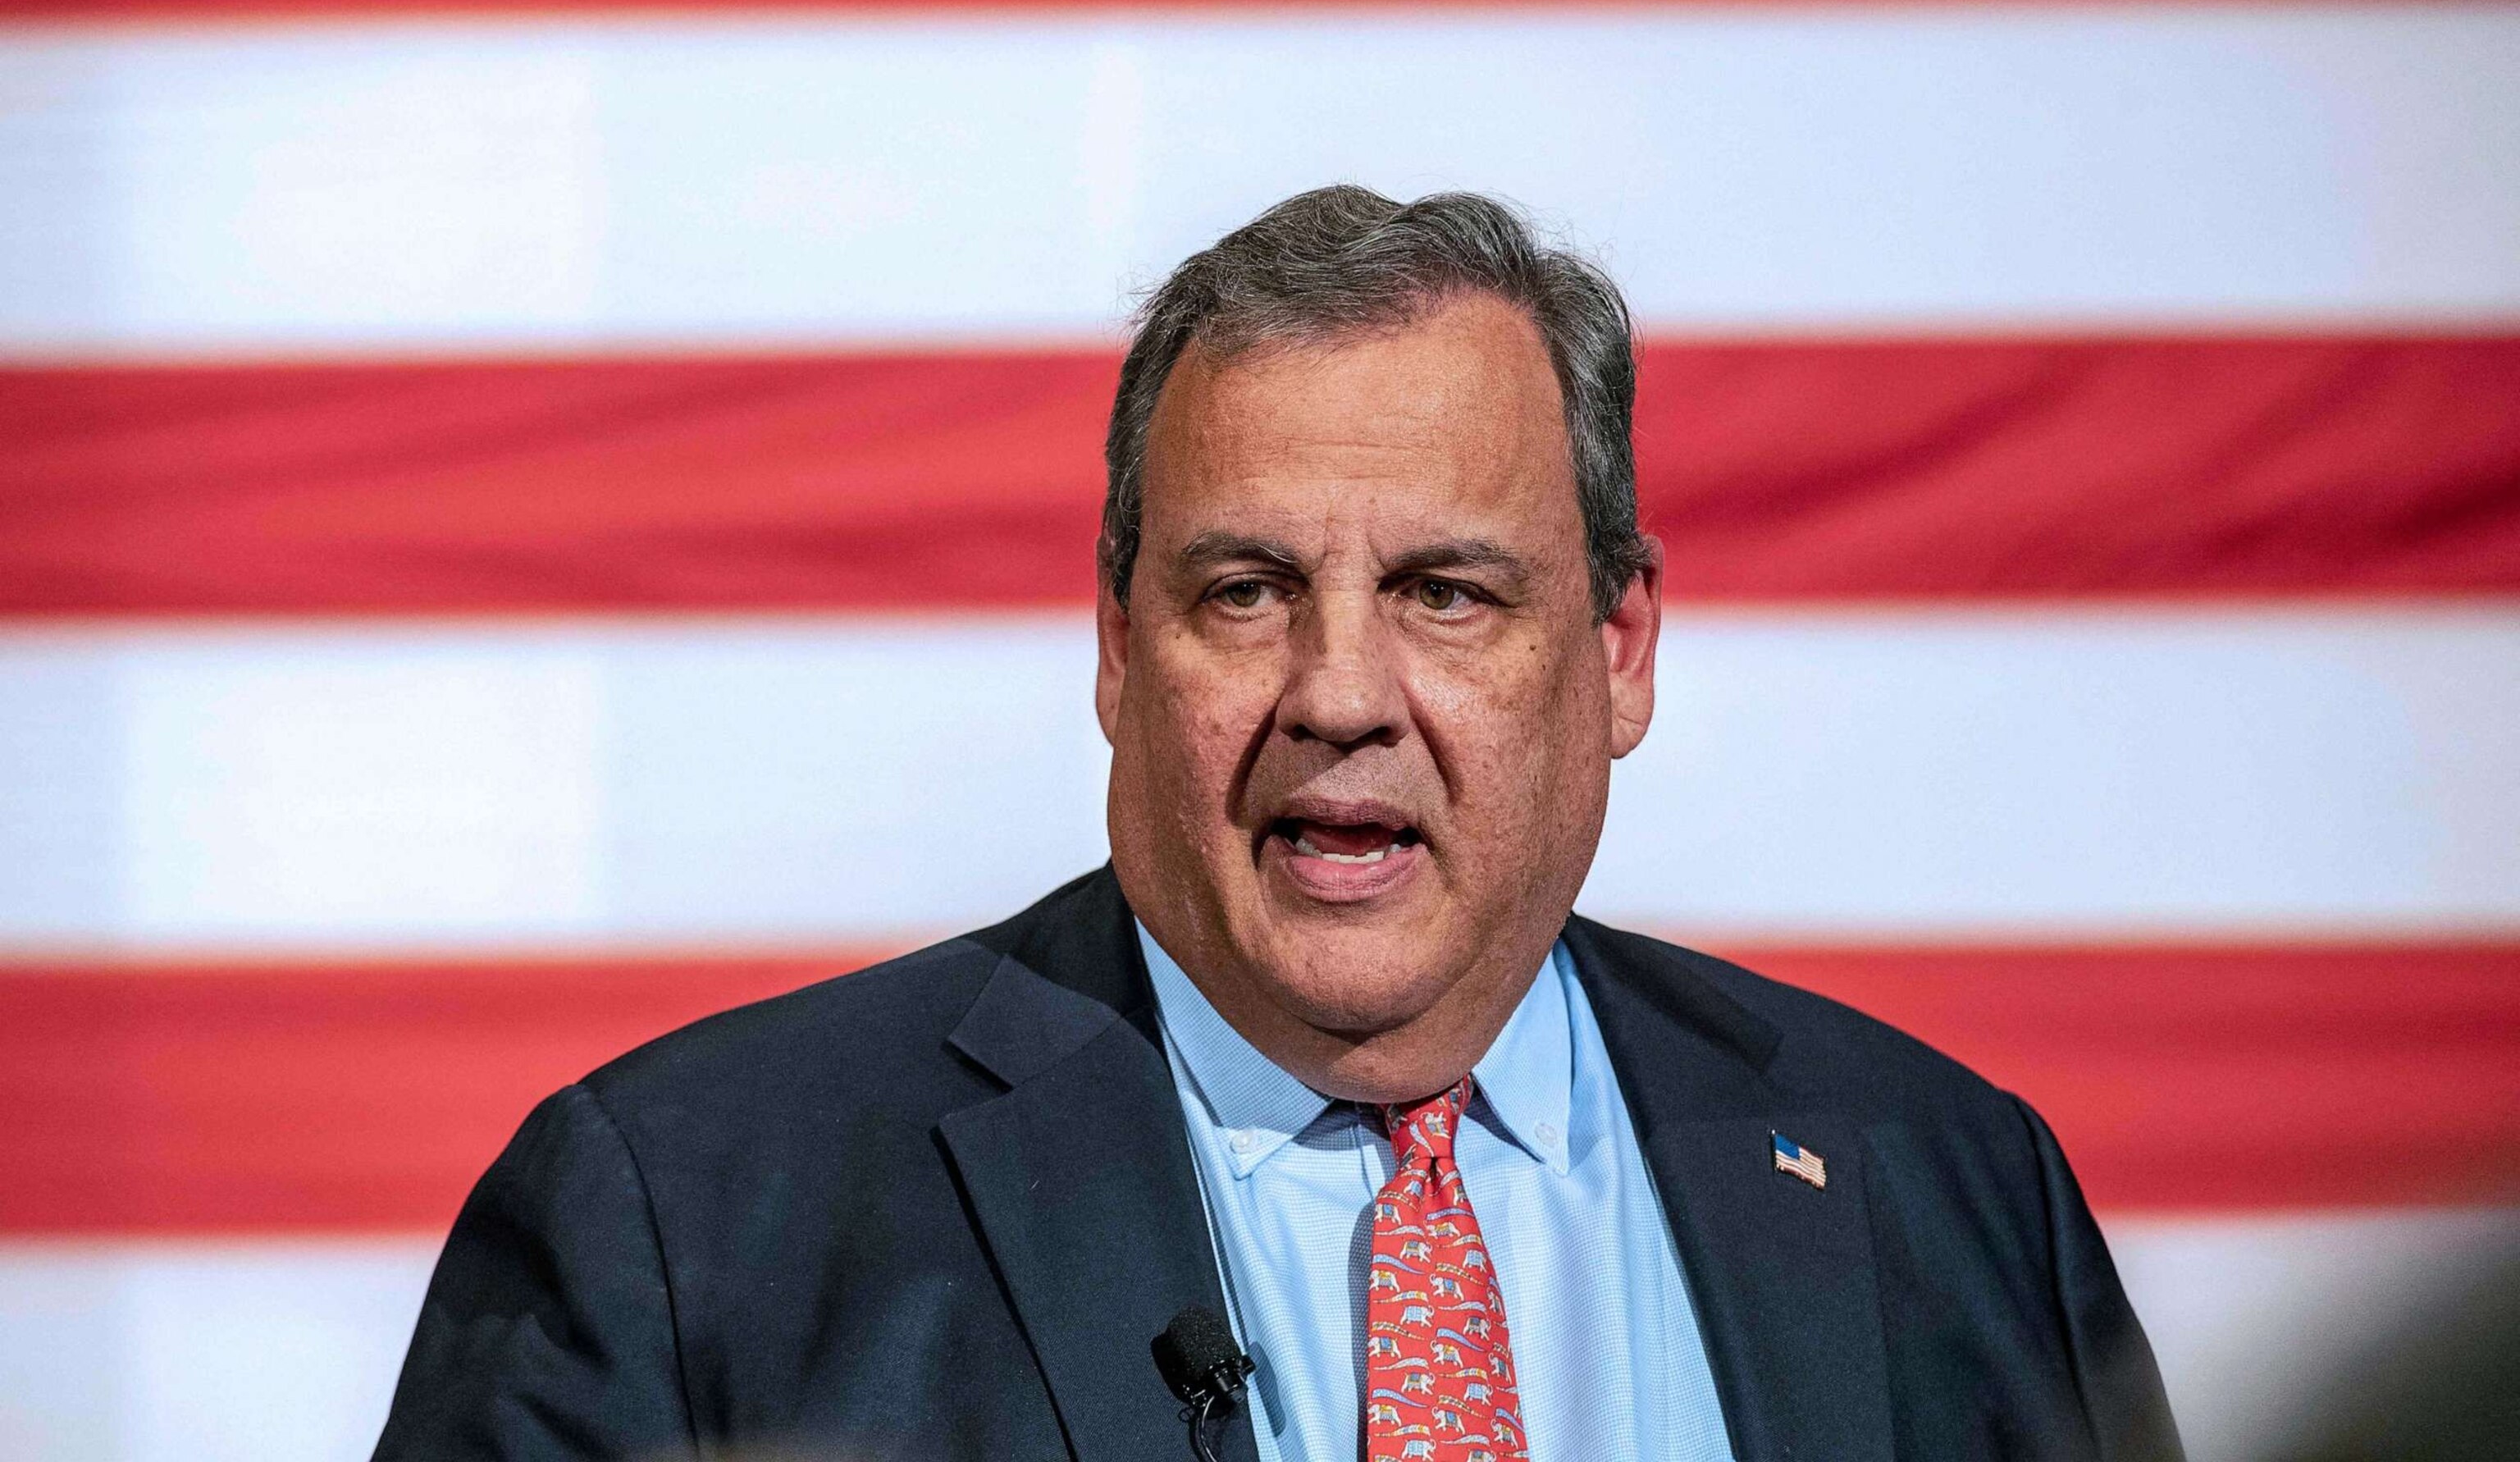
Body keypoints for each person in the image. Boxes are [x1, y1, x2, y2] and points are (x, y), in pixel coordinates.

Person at [373, 187, 2183, 1462]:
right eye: (1243, 591)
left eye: (1448, 592)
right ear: (1116, 647)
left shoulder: (1945, 1193)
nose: (1337, 691)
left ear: (1619, 652)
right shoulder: (693, 1226)